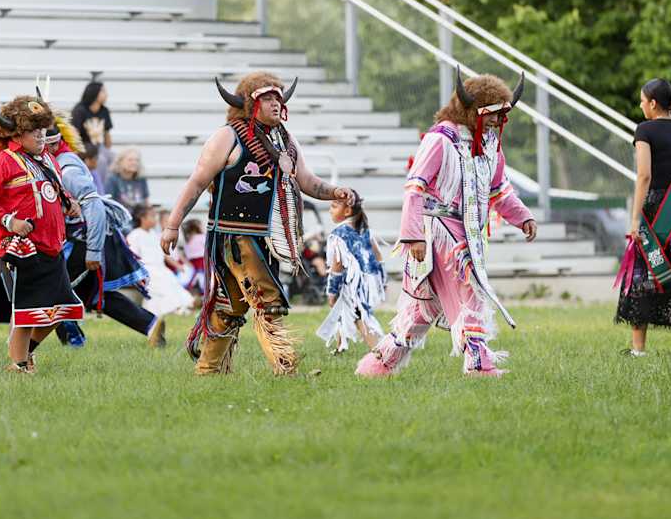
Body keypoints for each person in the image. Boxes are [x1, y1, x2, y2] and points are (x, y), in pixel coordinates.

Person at [162, 71, 356, 376]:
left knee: (232, 307)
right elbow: (198, 181)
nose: (276, 103)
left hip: (268, 237)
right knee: (268, 300)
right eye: (268, 98)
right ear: (250, 104)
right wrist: (173, 225)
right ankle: (287, 368)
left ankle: (208, 370)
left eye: (279, 97)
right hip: (234, 236)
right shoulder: (227, 136)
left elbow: (305, 181)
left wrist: (333, 191)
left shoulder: (286, 141)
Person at [356, 69, 536, 377]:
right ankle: (479, 364)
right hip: (440, 233)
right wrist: (413, 237)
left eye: (500, 116)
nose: (496, 121)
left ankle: (379, 364)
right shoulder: (440, 139)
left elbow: (498, 189)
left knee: (422, 311)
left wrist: (523, 216)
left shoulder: (490, 144)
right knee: (472, 291)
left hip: (469, 233)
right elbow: (415, 187)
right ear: (471, 111)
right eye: (491, 114)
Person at [0, 95, 84, 373]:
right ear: (15, 132)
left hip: (51, 246)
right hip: (18, 249)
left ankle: (26, 354)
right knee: (26, 312)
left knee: (62, 310)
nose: (41, 134)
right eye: (33, 130)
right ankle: (18, 364)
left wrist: (68, 201)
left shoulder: (47, 158)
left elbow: (53, 191)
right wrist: (8, 221)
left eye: (43, 128)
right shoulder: (1, 162)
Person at [44, 114, 162, 349]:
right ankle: (150, 325)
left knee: (51, 291)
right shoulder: (52, 163)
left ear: (53, 143)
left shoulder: (66, 168)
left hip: (84, 239)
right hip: (80, 239)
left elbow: (94, 206)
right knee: (95, 295)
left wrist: (94, 251)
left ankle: (70, 342)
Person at [614, 78, 671, 356]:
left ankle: (639, 349)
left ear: (653, 103)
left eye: (642, 100)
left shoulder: (645, 130)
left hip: (654, 209)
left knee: (643, 275)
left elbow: (644, 176)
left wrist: (634, 220)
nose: (641, 105)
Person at [316, 194, 386, 354]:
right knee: (343, 311)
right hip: (368, 279)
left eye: (334, 206)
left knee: (359, 315)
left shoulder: (338, 234)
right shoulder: (364, 230)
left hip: (353, 283)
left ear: (347, 211)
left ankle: (379, 352)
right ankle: (340, 347)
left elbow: (337, 266)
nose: (330, 210)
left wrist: (332, 292)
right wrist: (381, 281)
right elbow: (378, 255)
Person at [127, 204, 193, 320]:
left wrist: (177, 265)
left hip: (161, 268)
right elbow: (132, 257)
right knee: (161, 288)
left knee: (173, 284)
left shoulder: (155, 234)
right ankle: (172, 308)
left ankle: (182, 306)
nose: (155, 219)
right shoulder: (135, 235)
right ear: (142, 218)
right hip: (147, 270)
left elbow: (164, 255)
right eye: (152, 216)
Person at [181, 219, 206, 294]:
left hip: (194, 267)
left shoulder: (187, 242)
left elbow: (188, 255)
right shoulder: (201, 237)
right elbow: (208, 249)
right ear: (197, 227)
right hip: (204, 264)